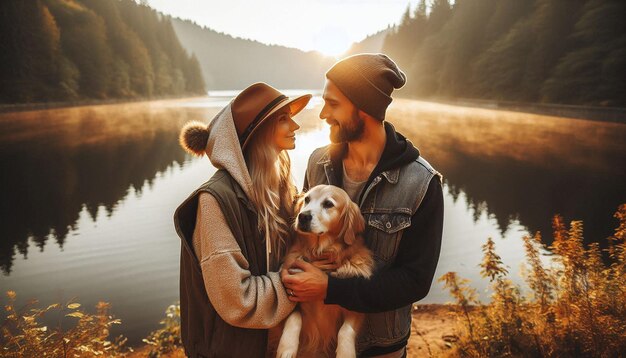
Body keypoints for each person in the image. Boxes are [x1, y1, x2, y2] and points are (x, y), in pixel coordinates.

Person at [281, 53, 444, 357]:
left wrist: (331, 289)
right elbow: (301, 238)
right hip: (316, 344)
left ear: (364, 107)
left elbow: (415, 281)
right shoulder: (318, 162)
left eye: (333, 104)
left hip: (380, 348)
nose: (322, 115)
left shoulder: (421, 183)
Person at [173, 83, 311, 357]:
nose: (295, 126)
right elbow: (238, 299)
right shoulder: (214, 201)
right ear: (258, 131)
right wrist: (296, 284)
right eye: (284, 119)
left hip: (274, 345)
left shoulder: (280, 188)